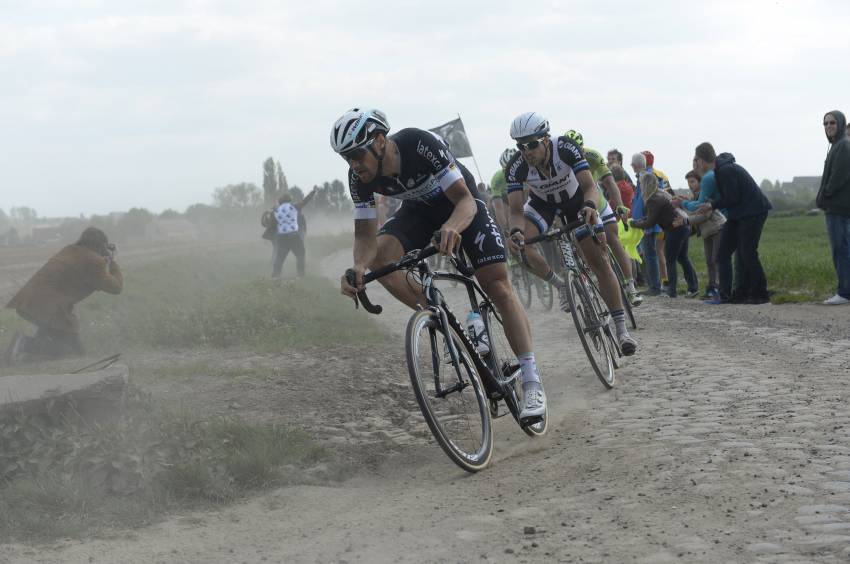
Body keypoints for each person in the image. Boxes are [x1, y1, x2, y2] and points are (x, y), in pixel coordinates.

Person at [331, 108, 548, 421]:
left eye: (355, 155)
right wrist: (359, 268)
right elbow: (366, 236)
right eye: (345, 158)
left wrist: (452, 226)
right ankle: (439, 314)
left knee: (497, 285)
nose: (352, 165)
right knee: (381, 259)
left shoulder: (419, 144)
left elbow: (464, 201)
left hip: (462, 204)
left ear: (380, 141)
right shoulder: (359, 178)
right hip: (418, 211)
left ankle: (531, 381)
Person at [504, 112, 637, 355]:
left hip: (577, 200)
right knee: (520, 246)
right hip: (543, 205)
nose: (527, 151)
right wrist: (514, 231)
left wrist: (589, 206)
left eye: (532, 144)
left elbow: (589, 187)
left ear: (545, 139)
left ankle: (621, 330)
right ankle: (560, 285)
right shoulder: (516, 166)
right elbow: (515, 211)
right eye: (521, 146)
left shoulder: (565, 147)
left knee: (599, 260)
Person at [4, 227, 123, 364]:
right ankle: (24, 343)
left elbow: (81, 271)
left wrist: (104, 261)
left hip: (28, 302)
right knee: (75, 353)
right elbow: (116, 287)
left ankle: (24, 351)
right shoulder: (94, 262)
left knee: (53, 337)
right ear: (102, 245)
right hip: (50, 309)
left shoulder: (70, 250)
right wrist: (113, 261)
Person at [564, 130, 641, 305]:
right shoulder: (558, 164)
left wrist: (620, 204)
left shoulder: (592, 156)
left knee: (613, 238)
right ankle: (591, 284)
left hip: (598, 203)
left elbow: (610, 183)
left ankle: (630, 286)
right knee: (583, 247)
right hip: (577, 209)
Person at [695, 142, 772, 304]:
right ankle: (729, 294)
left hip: (753, 212)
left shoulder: (725, 170)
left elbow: (733, 197)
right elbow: (732, 197)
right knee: (722, 254)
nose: (696, 165)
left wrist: (712, 204)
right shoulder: (721, 170)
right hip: (739, 214)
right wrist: (714, 202)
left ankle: (760, 293)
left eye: (696, 161)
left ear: (701, 161)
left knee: (748, 252)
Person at [630, 174, 699, 298]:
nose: (639, 186)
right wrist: (639, 221)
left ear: (645, 185)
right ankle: (693, 287)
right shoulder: (661, 194)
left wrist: (633, 223)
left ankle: (671, 291)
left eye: (640, 183)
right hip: (684, 226)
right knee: (683, 258)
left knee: (670, 260)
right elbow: (651, 217)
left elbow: (650, 222)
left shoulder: (652, 199)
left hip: (674, 229)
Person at [816, 110, 850, 305]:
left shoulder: (843, 145)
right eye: (826, 124)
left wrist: (824, 196)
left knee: (841, 249)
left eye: (832, 123)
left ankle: (844, 292)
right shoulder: (836, 145)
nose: (828, 126)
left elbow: (838, 177)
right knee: (843, 249)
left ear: (840, 124)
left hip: (838, 207)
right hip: (836, 206)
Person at [679, 169, 724, 299]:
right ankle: (712, 288)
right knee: (709, 261)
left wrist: (685, 221)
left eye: (692, 181)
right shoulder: (694, 198)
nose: (690, 185)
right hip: (707, 232)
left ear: (700, 182)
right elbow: (693, 215)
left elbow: (705, 215)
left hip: (717, 228)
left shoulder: (704, 196)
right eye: (688, 182)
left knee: (716, 259)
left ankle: (722, 288)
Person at [630, 152, 662, 296]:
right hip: (644, 222)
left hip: (647, 223)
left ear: (635, 165)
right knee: (648, 254)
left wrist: (642, 219)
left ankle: (655, 286)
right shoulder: (644, 176)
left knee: (650, 255)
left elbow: (647, 199)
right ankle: (653, 285)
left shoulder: (646, 177)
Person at [272, 192, 307, 278]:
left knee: (280, 257)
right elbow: (305, 201)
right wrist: (313, 192)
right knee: (300, 254)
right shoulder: (294, 206)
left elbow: (273, 223)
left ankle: (275, 275)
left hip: (282, 237)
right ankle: (300, 275)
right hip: (293, 235)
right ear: (289, 199)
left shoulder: (276, 209)